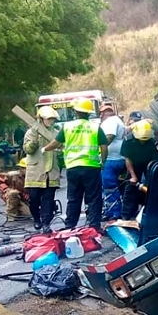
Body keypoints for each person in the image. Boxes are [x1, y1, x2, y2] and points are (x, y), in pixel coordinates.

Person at [44, 98, 107, 230]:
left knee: (73, 197)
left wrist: (44, 149)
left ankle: (70, 226)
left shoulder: (67, 127)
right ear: (89, 113)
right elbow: (104, 147)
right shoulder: (95, 127)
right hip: (91, 167)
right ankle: (94, 227)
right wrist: (103, 162)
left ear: (75, 112)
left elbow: (55, 143)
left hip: (73, 167)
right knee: (94, 198)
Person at [24, 106, 62, 233]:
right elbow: (28, 150)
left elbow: (62, 147)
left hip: (51, 171)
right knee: (34, 198)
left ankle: (46, 223)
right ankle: (37, 219)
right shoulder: (31, 133)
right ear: (41, 119)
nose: (51, 121)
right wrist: (34, 140)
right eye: (49, 119)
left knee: (48, 199)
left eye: (53, 119)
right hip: (36, 171)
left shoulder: (56, 133)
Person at [120, 120, 158, 220]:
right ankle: (126, 216)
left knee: (151, 189)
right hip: (133, 165)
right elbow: (128, 159)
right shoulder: (128, 141)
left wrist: (151, 178)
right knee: (131, 188)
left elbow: (156, 160)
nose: (143, 141)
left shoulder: (152, 142)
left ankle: (149, 213)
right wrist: (133, 176)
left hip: (149, 165)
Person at [98, 103, 127, 220]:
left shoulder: (110, 121)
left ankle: (114, 212)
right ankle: (113, 210)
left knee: (109, 186)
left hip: (111, 159)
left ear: (103, 113)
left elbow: (109, 136)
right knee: (117, 186)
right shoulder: (118, 120)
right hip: (120, 158)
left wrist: (100, 148)